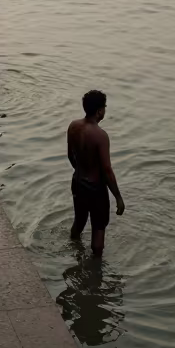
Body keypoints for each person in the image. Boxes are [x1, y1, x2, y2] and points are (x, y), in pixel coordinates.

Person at [67, 90, 125, 257]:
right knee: (98, 229)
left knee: (79, 222)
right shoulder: (100, 136)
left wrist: (80, 172)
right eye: (104, 107)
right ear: (100, 111)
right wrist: (118, 197)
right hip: (95, 189)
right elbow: (107, 170)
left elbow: (70, 156)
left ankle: (75, 256)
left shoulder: (73, 126)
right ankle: (95, 271)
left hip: (78, 183)